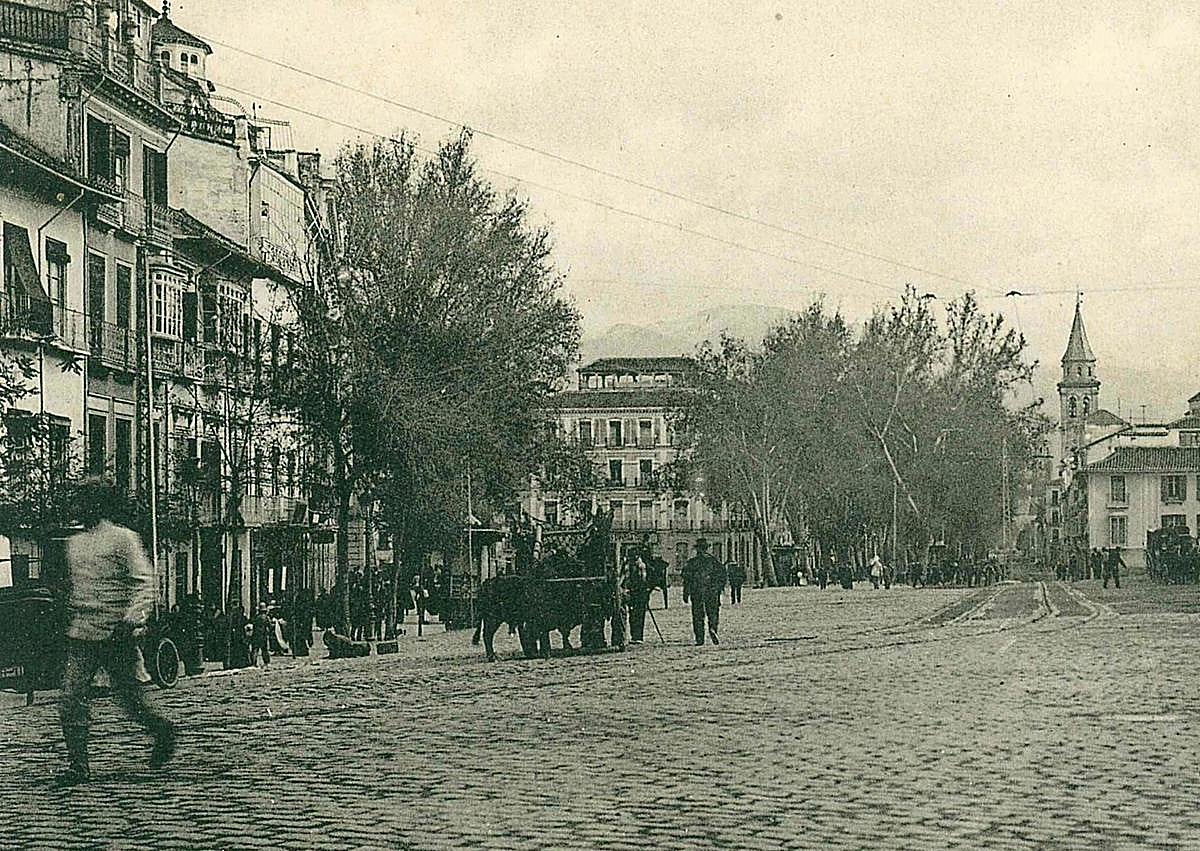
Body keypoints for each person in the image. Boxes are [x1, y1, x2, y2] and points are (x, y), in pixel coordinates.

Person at [56, 479, 176, 786]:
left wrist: (132, 618)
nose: (76, 507)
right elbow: (73, 588)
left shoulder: (123, 539)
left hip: (116, 634)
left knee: (130, 701)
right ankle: (78, 766)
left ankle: (161, 729)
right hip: (82, 633)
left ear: (98, 504)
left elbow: (144, 582)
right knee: (71, 698)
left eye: (82, 501)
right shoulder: (74, 543)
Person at [682, 539, 725, 645]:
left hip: (696, 591)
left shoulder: (692, 562)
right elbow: (722, 575)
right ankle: (713, 628)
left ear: (697, 549)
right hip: (711, 591)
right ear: (707, 548)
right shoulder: (713, 561)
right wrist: (718, 588)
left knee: (697, 615)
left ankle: (700, 638)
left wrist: (686, 593)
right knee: (713, 613)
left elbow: (686, 578)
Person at [624, 551, 651, 644]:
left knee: (639, 615)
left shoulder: (641, 566)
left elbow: (644, 580)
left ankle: (638, 636)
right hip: (633, 593)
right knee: (632, 615)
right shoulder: (628, 566)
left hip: (640, 594)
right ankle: (634, 636)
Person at [250, 602, 272, 667]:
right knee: (264, 650)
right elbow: (269, 626)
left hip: (256, 635)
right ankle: (266, 662)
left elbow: (252, 623)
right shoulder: (266, 617)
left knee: (255, 649)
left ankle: (253, 663)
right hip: (263, 635)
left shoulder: (256, 617)